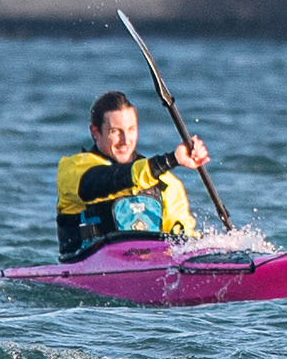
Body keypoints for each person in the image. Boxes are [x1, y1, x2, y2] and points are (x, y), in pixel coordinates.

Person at [56, 90, 210, 260]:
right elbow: (110, 180)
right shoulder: (74, 171)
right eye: (115, 131)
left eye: (131, 129)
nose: (125, 140)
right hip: (83, 265)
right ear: (95, 132)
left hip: (149, 268)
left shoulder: (166, 183)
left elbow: (184, 241)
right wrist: (171, 160)